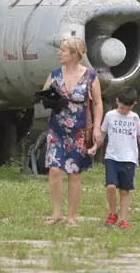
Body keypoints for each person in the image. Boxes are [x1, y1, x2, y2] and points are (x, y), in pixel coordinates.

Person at [41, 36, 104, 228]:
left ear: (75, 55)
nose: (59, 53)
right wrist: (48, 96)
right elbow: (44, 92)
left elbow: (98, 102)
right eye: (60, 49)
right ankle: (56, 213)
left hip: (79, 130)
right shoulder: (54, 74)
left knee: (74, 173)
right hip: (57, 127)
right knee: (54, 168)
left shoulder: (90, 76)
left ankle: (72, 217)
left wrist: (98, 127)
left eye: (63, 50)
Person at [88, 86, 140, 229]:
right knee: (110, 186)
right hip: (112, 157)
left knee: (124, 191)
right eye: (122, 108)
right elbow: (103, 134)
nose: (124, 111)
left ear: (133, 105)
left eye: (127, 109)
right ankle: (112, 213)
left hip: (129, 159)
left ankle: (124, 220)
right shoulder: (110, 116)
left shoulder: (135, 118)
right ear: (117, 101)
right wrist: (94, 147)